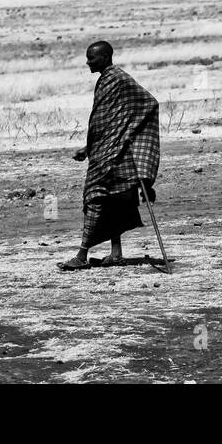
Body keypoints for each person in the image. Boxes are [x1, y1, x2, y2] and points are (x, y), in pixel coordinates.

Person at [58, 41, 160, 271]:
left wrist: (127, 132)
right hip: (104, 151)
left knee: (94, 197)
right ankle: (115, 253)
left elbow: (149, 103)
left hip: (115, 154)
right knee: (112, 200)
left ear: (104, 58)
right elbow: (104, 121)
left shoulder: (120, 79)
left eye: (91, 58)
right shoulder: (105, 80)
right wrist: (88, 148)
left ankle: (82, 255)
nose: (87, 62)